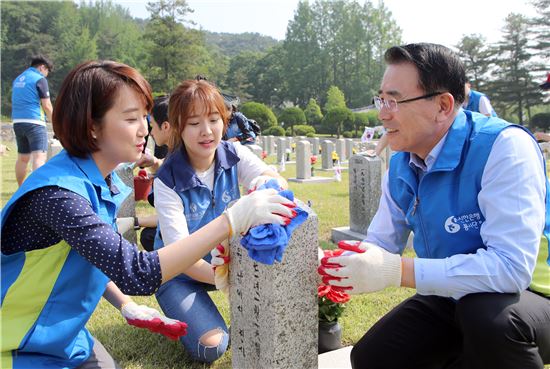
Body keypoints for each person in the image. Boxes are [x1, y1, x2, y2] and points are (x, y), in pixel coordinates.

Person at [0, 60, 295, 369]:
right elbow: (136, 272)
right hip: (15, 346)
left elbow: (88, 256)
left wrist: (126, 305)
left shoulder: (101, 182)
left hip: (64, 341)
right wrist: (231, 221)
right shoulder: (59, 195)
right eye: (131, 118)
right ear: (91, 126)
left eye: (145, 116)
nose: (145, 129)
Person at [319, 43, 550, 369]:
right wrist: (326, 264)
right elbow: (380, 245)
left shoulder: (503, 148)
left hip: (533, 295)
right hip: (454, 294)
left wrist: (396, 271)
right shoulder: (400, 166)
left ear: (443, 105)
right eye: (381, 99)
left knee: (488, 321)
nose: (382, 113)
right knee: (373, 357)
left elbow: (510, 270)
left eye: (394, 101)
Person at [151, 78, 289, 363]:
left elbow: (275, 181)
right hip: (179, 274)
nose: (207, 131)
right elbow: (182, 258)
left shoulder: (233, 153)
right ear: (177, 126)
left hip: (228, 267)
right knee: (211, 347)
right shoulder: (167, 179)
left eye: (214, 119)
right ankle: (178, 307)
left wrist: (264, 184)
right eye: (193, 123)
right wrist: (232, 280)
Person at [11, 54, 54, 186]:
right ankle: (37, 191)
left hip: (17, 122)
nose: (46, 75)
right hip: (34, 122)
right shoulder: (39, 79)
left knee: (23, 158)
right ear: (42, 67)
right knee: (39, 157)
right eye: (47, 71)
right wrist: (55, 123)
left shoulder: (18, 79)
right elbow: (46, 105)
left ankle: (20, 189)